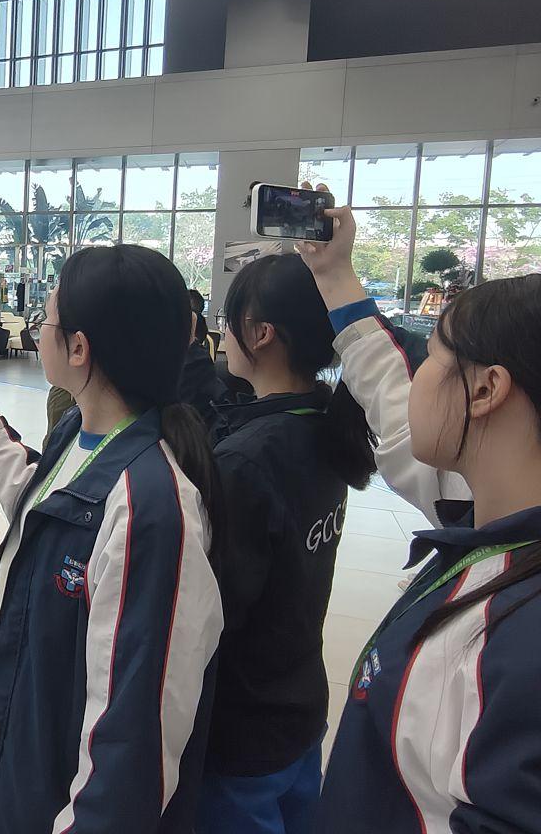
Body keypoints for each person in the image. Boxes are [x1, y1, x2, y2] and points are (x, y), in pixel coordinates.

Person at [0, 244, 223, 834]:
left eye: (45, 321)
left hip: (62, 792)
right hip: (21, 751)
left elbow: (133, 740)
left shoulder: (153, 507)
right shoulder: (79, 430)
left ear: (79, 348)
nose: (37, 332)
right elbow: (52, 513)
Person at [300, 207, 541, 833]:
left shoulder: (517, 633)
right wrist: (334, 273)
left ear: (484, 391)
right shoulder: (480, 513)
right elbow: (387, 394)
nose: (415, 378)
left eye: (430, 355)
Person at [196, 254, 377, 834]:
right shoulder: (323, 424)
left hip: (245, 725)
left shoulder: (247, 460)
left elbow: (213, 613)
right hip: (299, 700)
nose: (220, 334)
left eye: (226, 321)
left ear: (260, 333)